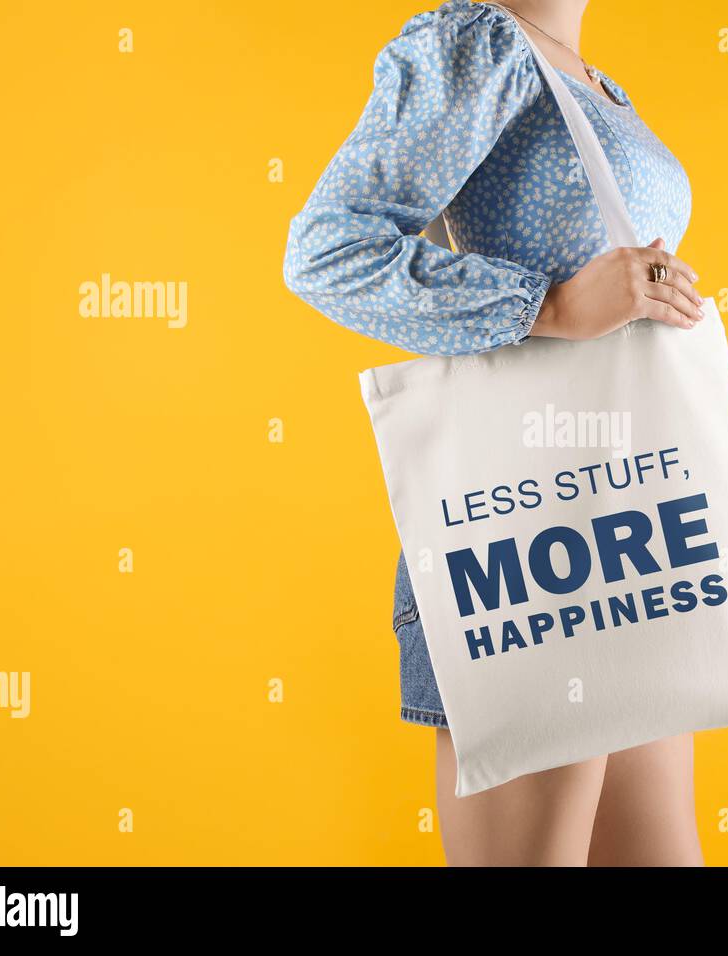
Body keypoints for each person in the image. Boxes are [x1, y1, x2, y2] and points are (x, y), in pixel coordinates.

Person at [283, 0, 704, 865]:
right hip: (527, 535)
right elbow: (328, 249)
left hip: (633, 530)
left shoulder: (591, 81)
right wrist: (546, 306)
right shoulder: (478, 41)